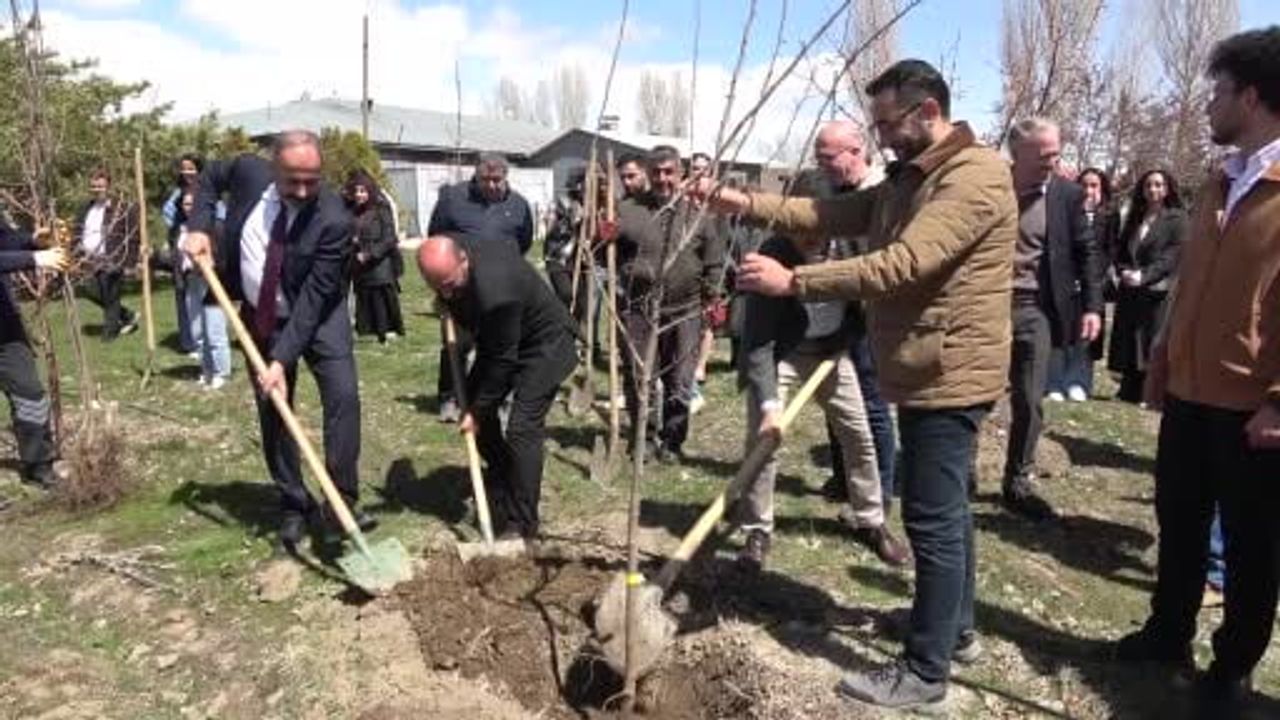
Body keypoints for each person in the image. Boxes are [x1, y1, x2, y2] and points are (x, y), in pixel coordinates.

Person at [698, 59, 1014, 711]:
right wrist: (741, 201)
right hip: (928, 364)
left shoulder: (973, 176)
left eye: (888, 123)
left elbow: (904, 263)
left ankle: (926, 672)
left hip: (951, 371)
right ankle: (954, 632)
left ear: (928, 113)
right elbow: (831, 211)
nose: (882, 138)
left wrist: (799, 283)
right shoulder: (913, 175)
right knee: (947, 513)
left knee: (931, 519)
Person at [1115, 26, 1280, 719]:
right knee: (1178, 522)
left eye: (1216, 91)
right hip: (1190, 389)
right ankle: (1167, 633)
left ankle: (1232, 669)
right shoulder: (1220, 180)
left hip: (1254, 408)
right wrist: (1163, 359)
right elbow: (1191, 283)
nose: (1207, 105)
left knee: (1249, 546)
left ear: (1250, 94)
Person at [182, 130, 375, 548]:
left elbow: (314, 299)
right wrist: (198, 226)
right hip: (262, 316)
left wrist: (281, 360)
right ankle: (294, 502)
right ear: (273, 168)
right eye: (293, 180)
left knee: (343, 398)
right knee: (274, 407)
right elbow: (210, 178)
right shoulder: (248, 173)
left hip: (319, 317)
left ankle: (341, 499)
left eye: (313, 179)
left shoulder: (335, 219)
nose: (304, 190)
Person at [736, 182, 908, 570]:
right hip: (783, 352)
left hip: (831, 352)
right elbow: (758, 342)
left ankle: (871, 521)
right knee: (763, 440)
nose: (810, 237)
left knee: (858, 434)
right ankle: (757, 529)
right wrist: (767, 404)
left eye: (818, 228)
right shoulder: (770, 257)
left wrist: (849, 339)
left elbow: (867, 300)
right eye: (800, 229)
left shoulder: (852, 246)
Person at [417, 234, 576, 540]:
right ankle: (505, 477)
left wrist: (477, 411)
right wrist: (448, 297)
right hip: (502, 340)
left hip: (546, 345)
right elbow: (493, 346)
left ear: (463, 259)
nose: (446, 292)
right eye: (438, 286)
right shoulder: (454, 255)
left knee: (521, 428)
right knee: (476, 410)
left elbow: (503, 362)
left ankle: (522, 523)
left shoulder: (497, 288)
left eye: (450, 283)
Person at [1001, 118, 1102, 521]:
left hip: (1035, 309)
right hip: (985, 307)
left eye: (1056, 152)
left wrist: (1093, 306)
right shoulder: (991, 187)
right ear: (1017, 153)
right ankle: (962, 476)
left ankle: (1017, 481)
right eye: (1044, 154)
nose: (1054, 161)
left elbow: (1087, 253)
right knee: (974, 392)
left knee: (1028, 397)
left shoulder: (1067, 195)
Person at [806, 120, 898, 515]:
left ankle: (880, 491)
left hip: (874, 311)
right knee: (835, 397)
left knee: (872, 404)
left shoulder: (884, 193)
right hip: (835, 307)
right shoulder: (825, 188)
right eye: (819, 158)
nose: (822, 165)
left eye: (829, 158)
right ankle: (845, 478)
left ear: (856, 152)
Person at [615, 145, 725, 462]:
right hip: (639, 310)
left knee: (680, 379)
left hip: (685, 311)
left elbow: (714, 263)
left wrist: (712, 297)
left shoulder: (699, 216)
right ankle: (643, 439)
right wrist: (602, 234)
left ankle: (673, 442)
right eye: (656, 172)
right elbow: (601, 250)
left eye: (669, 172)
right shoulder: (629, 210)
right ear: (648, 174)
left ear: (681, 173)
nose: (662, 179)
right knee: (639, 377)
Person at [428, 153, 534, 423]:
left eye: (497, 180)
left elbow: (524, 242)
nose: (491, 185)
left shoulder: (519, 205)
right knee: (457, 344)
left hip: (501, 287)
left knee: (501, 346)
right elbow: (435, 236)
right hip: (462, 287)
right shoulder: (453, 199)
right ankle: (450, 397)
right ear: (476, 176)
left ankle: (497, 398)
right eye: (485, 179)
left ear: (505, 177)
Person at [1106, 168, 1187, 404]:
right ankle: (1127, 390)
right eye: (1148, 185)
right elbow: (1121, 250)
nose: (1153, 189)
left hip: (1157, 290)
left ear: (1168, 188)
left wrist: (1144, 276)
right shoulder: (1135, 216)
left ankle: (1149, 393)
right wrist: (1124, 272)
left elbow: (1172, 256)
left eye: (1159, 185)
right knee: (1128, 337)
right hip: (1130, 288)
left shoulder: (1178, 219)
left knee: (1149, 339)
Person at [0, 222, 68, 488]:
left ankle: (38, 464)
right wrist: (35, 258)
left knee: (29, 393)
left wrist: (32, 240)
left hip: (4, 327)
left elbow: (4, 239)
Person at [1047, 167, 1117, 401]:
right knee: (1060, 331)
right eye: (1084, 185)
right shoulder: (1066, 210)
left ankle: (1078, 381)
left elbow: (1110, 249)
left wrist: (1095, 276)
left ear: (1102, 189)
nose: (1088, 190)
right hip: (1065, 282)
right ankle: (1054, 381)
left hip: (1093, 283)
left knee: (1086, 335)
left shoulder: (1108, 215)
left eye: (1094, 185)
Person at [173, 192, 232, 389]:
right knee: (197, 329)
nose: (188, 207)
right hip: (191, 281)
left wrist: (211, 266)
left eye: (192, 203)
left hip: (211, 281)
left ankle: (220, 372)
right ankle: (205, 369)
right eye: (185, 203)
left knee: (214, 327)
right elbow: (177, 258)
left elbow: (224, 256)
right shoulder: (181, 228)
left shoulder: (215, 226)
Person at [76, 169, 138, 341]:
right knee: (90, 291)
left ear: (109, 187)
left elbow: (133, 236)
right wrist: (76, 251)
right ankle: (126, 315)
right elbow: (77, 230)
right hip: (88, 259)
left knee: (111, 294)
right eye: (94, 186)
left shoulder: (121, 208)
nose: (97, 189)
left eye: (101, 186)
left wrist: (130, 263)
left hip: (112, 258)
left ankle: (110, 332)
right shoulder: (85, 208)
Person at [346, 171, 403, 344]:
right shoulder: (352, 211)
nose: (359, 195)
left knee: (381, 300)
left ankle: (385, 333)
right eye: (356, 191)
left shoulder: (381, 208)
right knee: (364, 300)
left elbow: (389, 238)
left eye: (362, 191)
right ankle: (366, 330)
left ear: (369, 191)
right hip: (360, 266)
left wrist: (370, 253)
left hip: (380, 265)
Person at [163, 153, 204, 355]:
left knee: (203, 300)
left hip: (201, 250)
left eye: (191, 168)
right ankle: (188, 342)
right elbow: (168, 215)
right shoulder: (177, 193)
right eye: (184, 168)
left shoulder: (207, 190)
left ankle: (206, 342)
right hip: (181, 247)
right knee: (182, 295)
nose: (187, 172)